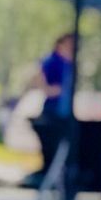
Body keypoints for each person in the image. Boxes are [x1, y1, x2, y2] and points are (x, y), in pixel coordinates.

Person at [26, 33, 76, 187]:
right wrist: (51, 89)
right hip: (52, 110)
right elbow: (39, 78)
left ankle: (57, 177)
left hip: (64, 111)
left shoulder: (69, 63)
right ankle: (49, 177)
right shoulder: (53, 60)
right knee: (51, 147)